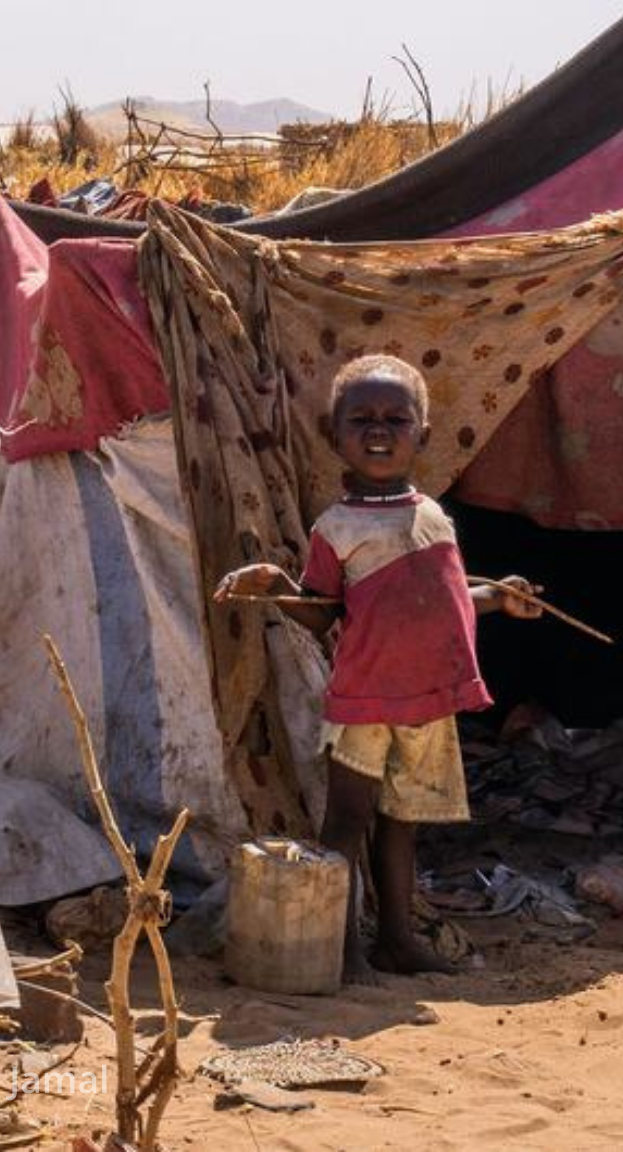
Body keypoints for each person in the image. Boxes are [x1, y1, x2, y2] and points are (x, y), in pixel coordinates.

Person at [215, 354, 542, 978]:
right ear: (333, 435)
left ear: (423, 433)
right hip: (364, 699)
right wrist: (277, 585)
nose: (379, 431)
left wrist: (498, 598)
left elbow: (446, 602)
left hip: (428, 698)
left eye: (396, 419)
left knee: (402, 821)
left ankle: (397, 941)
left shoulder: (435, 517)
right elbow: (323, 616)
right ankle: (343, 952)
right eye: (361, 419)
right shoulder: (336, 527)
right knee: (346, 822)